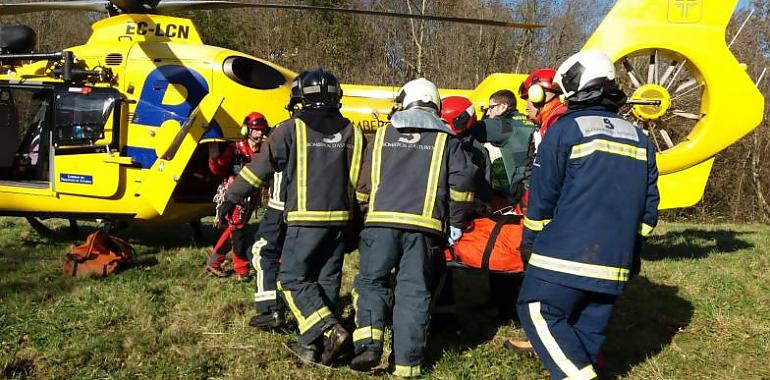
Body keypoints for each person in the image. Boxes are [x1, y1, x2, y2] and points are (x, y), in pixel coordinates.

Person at [516, 50, 660, 380]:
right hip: (616, 261)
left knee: (537, 308)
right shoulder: (640, 137)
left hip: (564, 255)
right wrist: (632, 254)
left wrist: (530, 242)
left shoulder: (565, 130)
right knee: (586, 331)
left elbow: (542, 197)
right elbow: (649, 209)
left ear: (575, 85)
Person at [218, 68, 366, 366]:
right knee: (325, 281)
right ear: (337, 96)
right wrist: (357, 225)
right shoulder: (355, 132)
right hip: (340, 221)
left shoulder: (289, 129)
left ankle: (330, 330)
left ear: (301, 98)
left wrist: (230, 198)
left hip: (304, 219)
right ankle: (313, 348)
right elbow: (361, 185)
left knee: (291, 279)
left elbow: (258, 170)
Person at [350, 78, 475, 377]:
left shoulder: (381, 136)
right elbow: (463, 183)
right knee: (413, 292)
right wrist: (456, 221)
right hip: (424, 230)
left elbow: (363, 186)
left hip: (379, 225)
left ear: (405, 102)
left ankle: (369, 343)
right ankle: (406, 365)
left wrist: (363, 216)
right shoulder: (448, 140)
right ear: (436, 105)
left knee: (371, 283)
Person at [248, 72, 306, 330]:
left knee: (262, 252)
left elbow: (262, 167)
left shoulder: (285, 130)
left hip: (281, 206)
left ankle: (270, 309)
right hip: (316, 210)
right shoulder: (334, 131)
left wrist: (234, 194)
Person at [207, 112, 269, 281]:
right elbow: (218, 169)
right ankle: (242, 269)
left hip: (252, 198)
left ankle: (214, 262)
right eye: (255, 130)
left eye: (262, 130)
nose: (259, 134)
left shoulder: (264, 151)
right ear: (246, 130)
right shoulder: (235, 148)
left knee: (234, 228)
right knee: (238, 230)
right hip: (234, 196)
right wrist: (214, 159)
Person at [471, 89, 535, 206]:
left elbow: (472, 128)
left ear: (503, 107)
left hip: (521, 191)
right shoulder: (529, 121)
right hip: (536, 185)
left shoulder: (504, 125)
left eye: (491, 107)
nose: (489, 112)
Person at [441, 95, 492, 208]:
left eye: (444, 122)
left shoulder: (473, 151)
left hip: (458, 211)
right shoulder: (479, 149)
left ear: (460, 121)